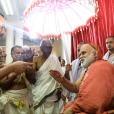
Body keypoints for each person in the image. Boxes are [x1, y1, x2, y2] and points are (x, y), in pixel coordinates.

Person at [49, 44, 114, 114]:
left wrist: (73, 108)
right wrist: (63, 81)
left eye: (83, 53)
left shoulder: (101, 66)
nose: (80, 57)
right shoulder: (88, 69)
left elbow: (93, 102)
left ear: (95, 54)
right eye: (79, 54)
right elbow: (76, 87)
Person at [32, 39, 65, 114]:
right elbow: (31, 77)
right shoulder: (35, 59)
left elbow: (60, 76)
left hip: (53, 93)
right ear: (41, 48)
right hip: (39, 92)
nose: (48, 49)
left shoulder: (55, 59)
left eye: (50, 47)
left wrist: (59, 90)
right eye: (46, 47)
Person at [0, 45, 35, 114]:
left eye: (22, 53)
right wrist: (14, 74)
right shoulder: (6, 68)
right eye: (17, 53)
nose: (20, 55)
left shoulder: (25, 67)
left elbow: (32, 79)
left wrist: (30, 59)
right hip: (10, 102)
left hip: (24, 99)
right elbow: (3, 86)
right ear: (11, 54)